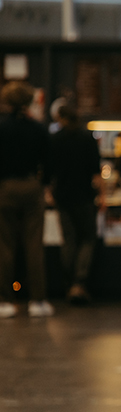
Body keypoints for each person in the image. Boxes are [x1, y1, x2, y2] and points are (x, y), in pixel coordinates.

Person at [0, 81, 52, 318]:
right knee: (34, 244)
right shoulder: (38, 128)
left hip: (5, 187)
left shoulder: (1, 127)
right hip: (32, 187)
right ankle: (38, 300)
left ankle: (5, 301)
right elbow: (49, 162)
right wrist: (42, 184)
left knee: (4, 245)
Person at [49, 103, 102, 304]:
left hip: (62, 197)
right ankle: (80, 283)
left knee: (68, 239)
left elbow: (48, 171)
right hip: (84, 196)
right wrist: (102, 196)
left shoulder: (55, 139)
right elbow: (96, 173)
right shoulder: (86, 138)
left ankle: (68, 283)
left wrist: (51, 193)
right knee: (88, 238)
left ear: (61, 118)